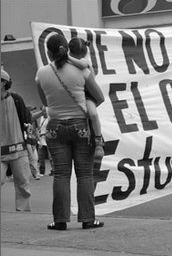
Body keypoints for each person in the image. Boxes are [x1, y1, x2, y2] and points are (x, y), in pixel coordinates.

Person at [36, 33, 105, 230]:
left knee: (60, 175)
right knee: (84, 174)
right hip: (81, 126)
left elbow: (45, 102)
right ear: (66, 49)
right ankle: (88, 219)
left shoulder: (42, 73)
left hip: (55, 127)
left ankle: (59, 220)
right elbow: (99, 97)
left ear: (48, 53)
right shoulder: (81, 70)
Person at [1, 69, 32, 211]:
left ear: (4, 83)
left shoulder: (16, 99)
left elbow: (26, 119)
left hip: (18, 149)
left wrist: (29, 127)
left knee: (23, 184)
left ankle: (23, 215)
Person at [67, 37, 104, 159]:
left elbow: (83, 65)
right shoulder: (66, 62)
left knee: (93, 114)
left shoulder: (83, 61)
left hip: (86, 93)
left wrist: (66, 57)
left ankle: (98, 141)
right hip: (72, 94)